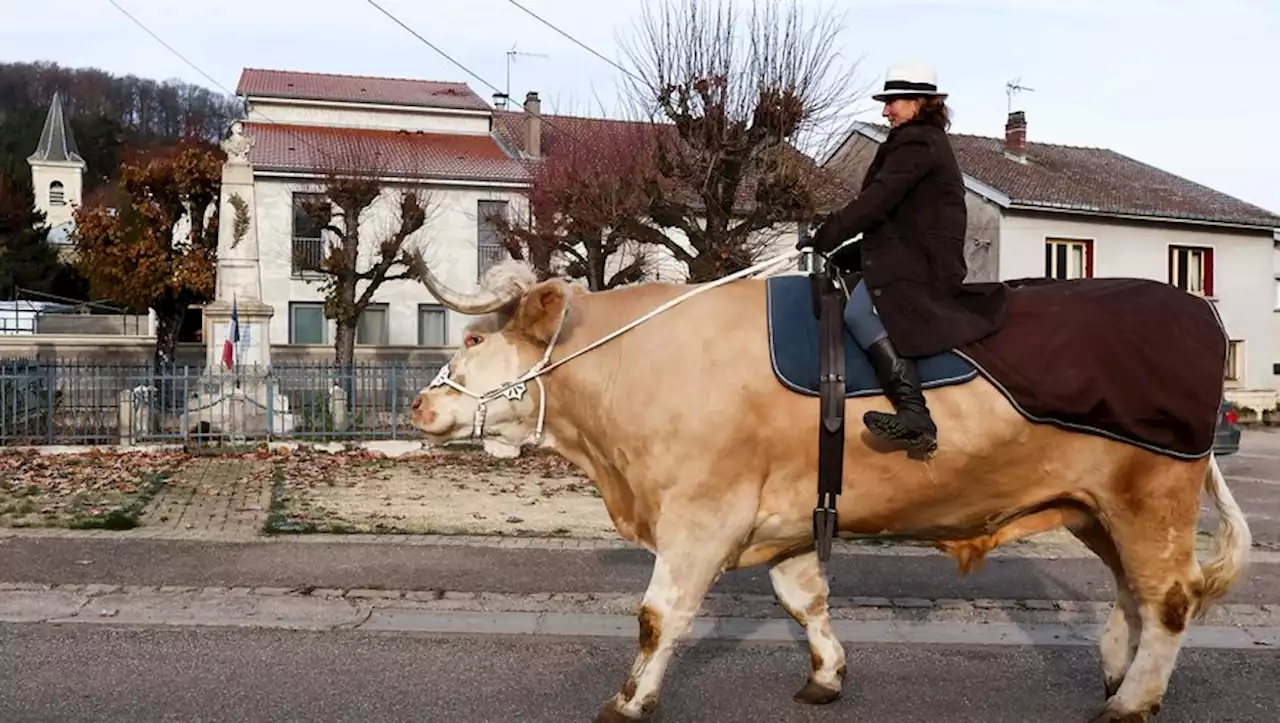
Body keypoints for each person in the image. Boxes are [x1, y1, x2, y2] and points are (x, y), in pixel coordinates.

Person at [799, 62, 1007, 454]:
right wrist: (851, 250)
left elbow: (877, 202)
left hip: (922, 265)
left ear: (918, 103)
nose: (885, 111)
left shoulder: (917, 144)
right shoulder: (920, 142)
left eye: (892, 101)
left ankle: (915, 414)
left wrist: (827, 235)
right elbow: (902, 221)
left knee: (858, 313)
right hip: (911, 253)